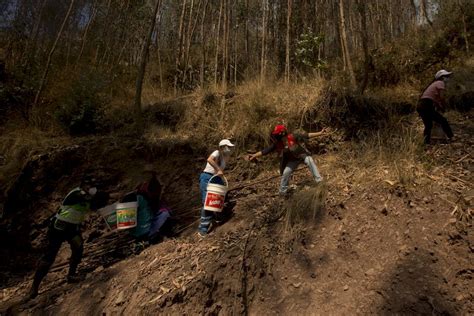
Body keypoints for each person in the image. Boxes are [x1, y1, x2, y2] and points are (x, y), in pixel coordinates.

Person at [27, 180, 109, 299]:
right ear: (82, 186)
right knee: (50, 256)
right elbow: (87, 197)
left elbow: (96, 204)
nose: (90, 188)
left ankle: (71, 275)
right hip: (58, 229)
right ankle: (34, 288)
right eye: (88, 186)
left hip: (72, 230)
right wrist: (100, 194)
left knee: (78, 248)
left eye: (92, 186)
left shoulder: (87, 199)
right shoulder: (75, 193)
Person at [249, 125, 327, 196]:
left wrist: (320, 133)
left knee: (310, 161)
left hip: (302, 156)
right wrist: (254, 155)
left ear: (282, 133)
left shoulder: (292, 136)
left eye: (277, 134)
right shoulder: (277, 144)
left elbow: (307, 135)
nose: (276, 136)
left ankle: (319, 181)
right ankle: (282, 192)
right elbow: (265, 151)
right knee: (286, 172)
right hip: (293, 161)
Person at [198, 139, 235, 236]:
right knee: (208, 202)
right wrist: (218, 169)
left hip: (214, 178)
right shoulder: (217, 152)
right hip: (207, 177)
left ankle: (217, 217)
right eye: (228, 147)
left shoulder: (223, 157)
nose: (230, 149)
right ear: (223, 147)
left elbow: (219, 173)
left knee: (218, 197)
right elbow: (209, 159)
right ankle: (203, 230)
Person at [129, 171, 171, 243]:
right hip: (142, 232)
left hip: (137, 230)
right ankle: (148, 237)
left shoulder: (142, 197)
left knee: (164, 213)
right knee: (164, 213)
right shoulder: (142, 199)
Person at [417, 69, 454, 144]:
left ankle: (426, 142)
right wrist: (444, 106)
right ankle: (451, 137)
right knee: (443, 120)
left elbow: (435, 100)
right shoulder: (440, 83)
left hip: (421, 105)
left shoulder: (434, 84)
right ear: (442, 77)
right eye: (446, 76)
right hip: (426, 105)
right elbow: (442, 97)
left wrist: (440, 106)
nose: (448, 78)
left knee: (428, 125)